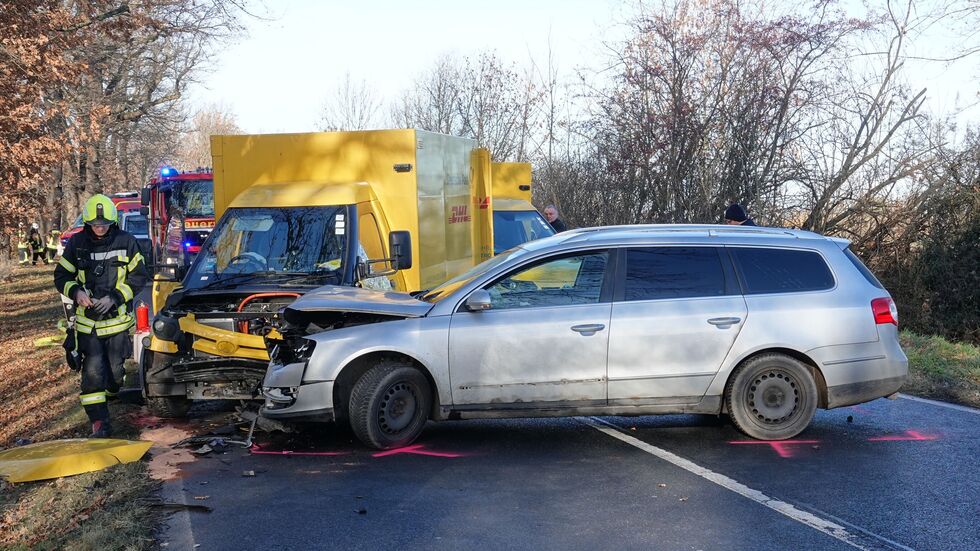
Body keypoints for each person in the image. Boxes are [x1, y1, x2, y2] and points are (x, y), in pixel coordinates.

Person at [54, 194, 149, 437]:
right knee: (93, 373)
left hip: (117, 323)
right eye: (95, 224)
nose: (100, 228)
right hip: (88, 325)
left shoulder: (126, 241)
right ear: (87, 223)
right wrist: (76, 293)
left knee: (115, 374)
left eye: (104, 224)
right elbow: (61, 276)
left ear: (112, 222)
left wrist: (114, 298)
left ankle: (112, 393)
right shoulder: (77, 244)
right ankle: (99, 423)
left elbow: (139, 276)